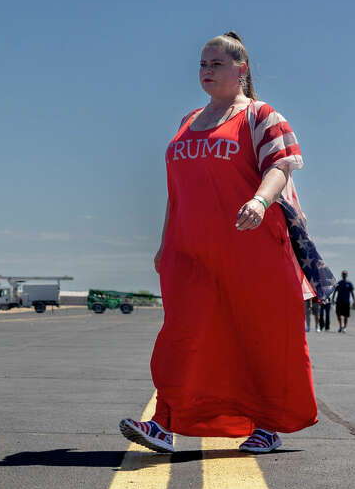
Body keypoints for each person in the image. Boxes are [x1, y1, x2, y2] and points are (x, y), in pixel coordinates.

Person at [120, 31, 318, 456]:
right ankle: (163, 424)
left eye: (216, 64)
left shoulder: (262, 116)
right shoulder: (187, 121)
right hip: (189, 249)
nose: (206, 71)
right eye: (202, 64)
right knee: (181, 335)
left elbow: (282, 166)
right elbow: (177, 192)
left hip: (253, 248)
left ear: (241, 69)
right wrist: (163, 243)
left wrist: (260, 201)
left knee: (258, 337)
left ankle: (267, 424)